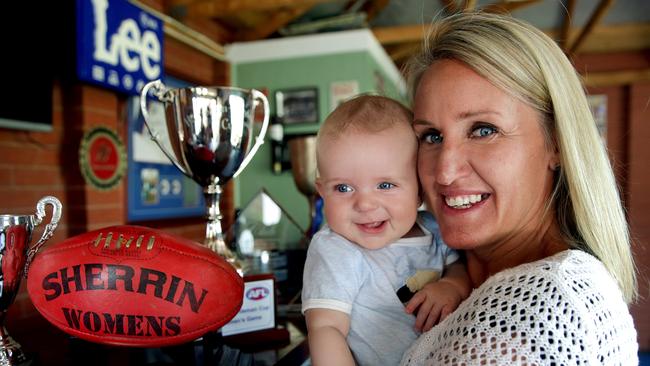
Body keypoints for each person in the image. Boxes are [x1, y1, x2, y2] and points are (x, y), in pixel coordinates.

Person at [400, 11, 638, 365]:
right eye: (431, 136)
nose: (445, 172)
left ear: (556, 143)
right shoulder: (447, 272)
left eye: (483, 130)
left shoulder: (541, 309)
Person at [301, 95, 471, 366]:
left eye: (385, 185)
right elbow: (326, 329)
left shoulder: (433, 228)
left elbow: (459, 267)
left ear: (419, 190)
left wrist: (451, 285)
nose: (365, 204)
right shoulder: (336, 248)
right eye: (343, 188)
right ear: (322, 192)